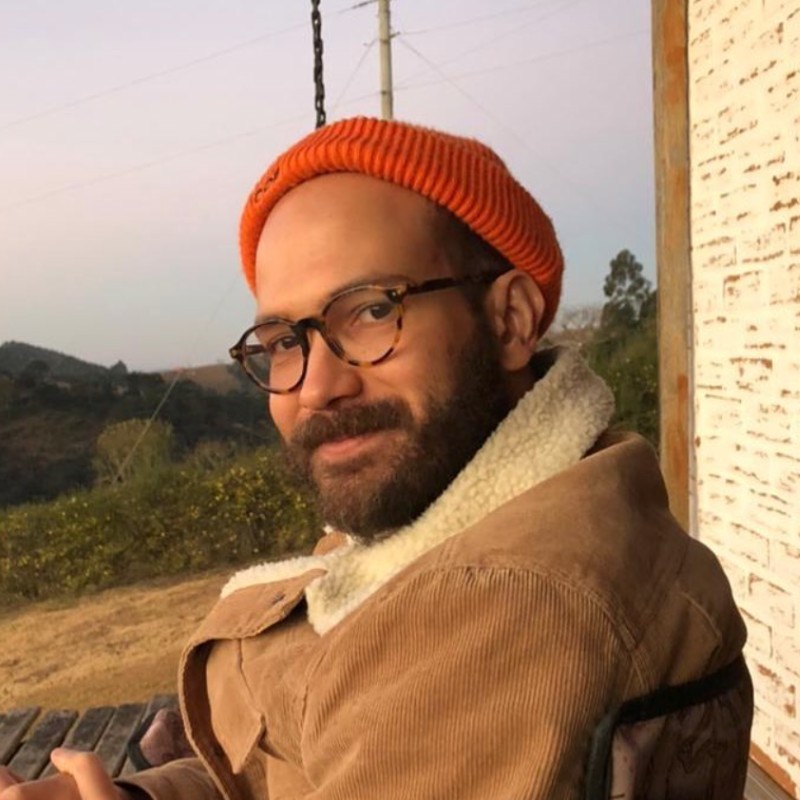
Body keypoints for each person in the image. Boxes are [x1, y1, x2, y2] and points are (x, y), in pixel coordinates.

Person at [0, 117, 753, 800]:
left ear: (510, 319)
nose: (316, 387)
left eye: (370, 310)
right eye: (283, 342)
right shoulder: (456, 513)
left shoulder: (498, 610)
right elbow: (292, 765)